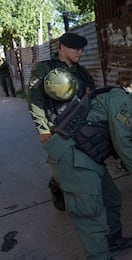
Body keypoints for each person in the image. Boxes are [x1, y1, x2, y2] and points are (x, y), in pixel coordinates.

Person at [42, 70, 132, 260]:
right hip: (73, 159)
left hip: (87, 158)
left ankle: (113, 240)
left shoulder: (124, 103)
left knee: (112, 198)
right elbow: (122, 143)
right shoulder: (123, 102)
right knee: (90, 216)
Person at [28, 32, 95, 211]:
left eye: (82, 50)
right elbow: (35, 100)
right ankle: (56, 187)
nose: (81, 53)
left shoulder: (81, 72)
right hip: (56, 129)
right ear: (62, 47)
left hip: (79, 129)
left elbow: (91, 97)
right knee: (62, 168)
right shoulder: (44, 69)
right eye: (77, 49)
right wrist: (43, 129)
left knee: (79, 166)